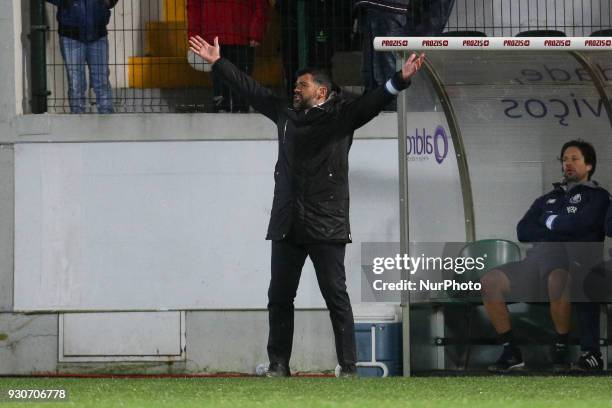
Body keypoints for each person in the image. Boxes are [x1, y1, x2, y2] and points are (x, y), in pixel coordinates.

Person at [189, 34, 424, 377]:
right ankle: (278, 364)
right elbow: (252, 91)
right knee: (279, 298)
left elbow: (372, 102)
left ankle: (348, 366)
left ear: (322, 92)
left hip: (326, 224)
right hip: (287, 223)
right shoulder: (285, 115)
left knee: (335, 298)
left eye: (302, 85)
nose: (295, 90)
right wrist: (218, 62)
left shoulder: (342, 117)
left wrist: (399, 80)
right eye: (296, 85)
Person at [480, 140, 610, 372]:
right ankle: (511, 352)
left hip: (574, 264)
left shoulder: (597, 196)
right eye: (565, 160)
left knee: (559, 278)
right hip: (536, 262)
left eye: (574, 159)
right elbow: (523, 230)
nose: (568, 164)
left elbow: (584, 225)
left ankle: (561, 346)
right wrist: (561, 227)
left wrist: (548, 221)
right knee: (491, 281)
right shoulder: (548, 198)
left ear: (589, 165)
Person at [187, 0, 266, 113]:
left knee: (221, 86)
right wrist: (256, 31)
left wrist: (194, 36)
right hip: (240, 35)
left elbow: (193, 7)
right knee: (240, 85)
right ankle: (238, 107)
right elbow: (260, 5)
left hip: (216, 36)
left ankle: (224, 106)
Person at [46, 0, 117, 114]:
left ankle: (107, 121)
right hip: (72, 34)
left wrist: (108, 2)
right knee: (76, 84)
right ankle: (78, 121)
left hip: (96, 31)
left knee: (101, 82)